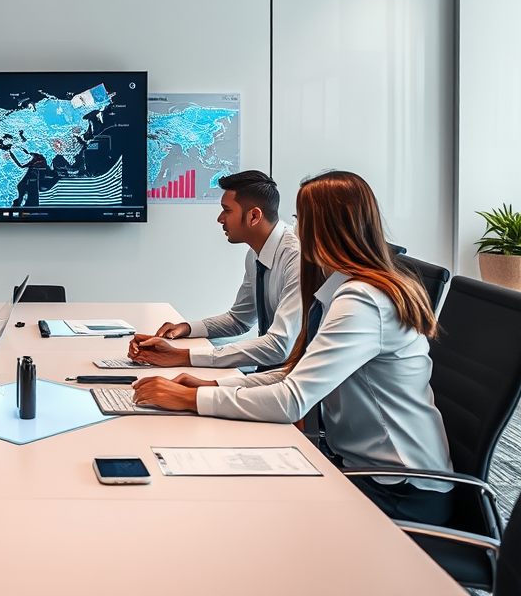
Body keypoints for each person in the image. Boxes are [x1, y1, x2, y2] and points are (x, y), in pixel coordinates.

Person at [130, 170, 453, 525]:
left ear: (324, 229)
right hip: (359, 467)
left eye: (302, 221)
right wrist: (211, 385)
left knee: (247, 516)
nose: (295, 231)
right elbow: (295, 370)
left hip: (397, 489)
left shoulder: (362, 301)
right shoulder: (344, 290)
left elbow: (292, 400)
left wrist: (189, 399)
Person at [133, 170, 301, 370]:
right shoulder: (255, 254)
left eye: (227, 210)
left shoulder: (296, 258)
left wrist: (183, 356)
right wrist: (187, 328)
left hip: (293, 378)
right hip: (270, 370)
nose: (220, 219)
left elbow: (279, 346)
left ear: (254, 216)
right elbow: (240, 320)